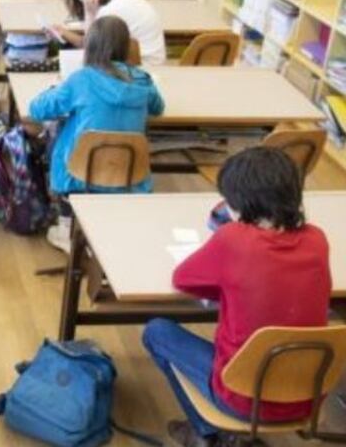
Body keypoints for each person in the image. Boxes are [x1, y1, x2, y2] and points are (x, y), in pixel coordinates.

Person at [142, 147, 331, 447]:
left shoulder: (233, 239)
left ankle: (205, 434)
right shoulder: (317, 239)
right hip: (309, 395)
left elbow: (183, 280)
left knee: (156, 331)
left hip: (241, 397)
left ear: (240, 208)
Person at [29, 16, 164, 251]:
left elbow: (37, 110)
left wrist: (56, 90)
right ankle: (113, 229)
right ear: (125, 46)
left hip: (81, 172)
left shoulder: (81, 80)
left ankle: (65, 229)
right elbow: (158, 108)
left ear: (90, 46)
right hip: (128, 170)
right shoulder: (143, 81)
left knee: (58, 138)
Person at [52, 0, 167, 66]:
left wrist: (89, 12)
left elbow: (90, 48)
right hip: (147, 61)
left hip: (143, 66)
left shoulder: (111, 10)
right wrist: (63, 32)